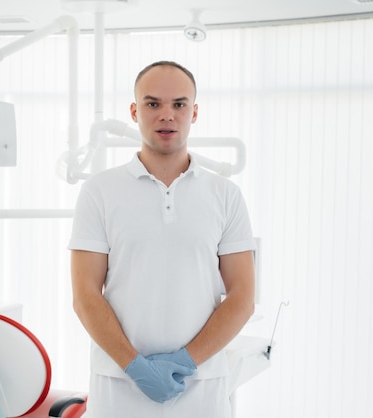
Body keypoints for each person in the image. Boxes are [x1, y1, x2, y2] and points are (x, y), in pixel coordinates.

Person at [68, 60, 256, 417]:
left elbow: (242, 297)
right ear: (135, 111)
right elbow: (85, 296)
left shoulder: (225, 195)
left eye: (179, 104)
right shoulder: (100, 191)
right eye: (153, 104)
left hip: (201, 386)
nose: (166, 115)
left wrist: (185, 361)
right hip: (118, 385)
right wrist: (135, 366)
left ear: (194, 112)